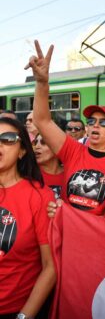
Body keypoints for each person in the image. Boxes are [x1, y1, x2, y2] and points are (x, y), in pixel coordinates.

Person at [25, 41, 105, 216]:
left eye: (104, 123)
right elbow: (42, 120)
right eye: (91, 122)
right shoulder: (72, 151)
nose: (96, 125)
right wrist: (42, 82)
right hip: (68, 233)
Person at [0, 118, 55, 318]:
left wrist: (25, 316)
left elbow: (50, 267)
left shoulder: (39, 196)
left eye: (7, 139)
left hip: (14, 310)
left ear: (22, 151)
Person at [33, 133, 64, 199]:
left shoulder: (72, 175)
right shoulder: (28, 174)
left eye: (43, 142)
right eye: (35, 142)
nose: (37, 146)